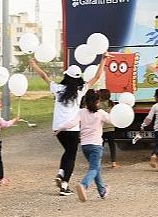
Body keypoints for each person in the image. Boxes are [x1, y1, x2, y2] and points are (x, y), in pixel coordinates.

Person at [30, 53, 110, 196]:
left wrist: (34, 65)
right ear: (78, 78)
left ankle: (61, 173)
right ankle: (64, 185)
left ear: (66, 76)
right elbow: (97, 77)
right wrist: (103, 60)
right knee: (71, 154)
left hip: (58, 127)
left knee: (67, 151)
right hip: (72, 127)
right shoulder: (80, 90)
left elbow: (44, 76)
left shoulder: (58, 88)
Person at [55, 89, 111, 202]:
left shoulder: (81, 112)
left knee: (95, 168)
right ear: (98, 101)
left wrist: (60, 128)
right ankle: (83, 185)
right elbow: (113, 121)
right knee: (94, 168)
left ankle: (102, 191)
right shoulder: (101, 113)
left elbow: (71, 123)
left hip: (85, 146)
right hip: (96, 146)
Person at [98, 89, 118, 168]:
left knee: (100, 146)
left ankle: (98, 162)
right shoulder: (111, 104)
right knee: (112, 146)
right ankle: (114, 162)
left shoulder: (98, 104)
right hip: (111, 128)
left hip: (101, 128)